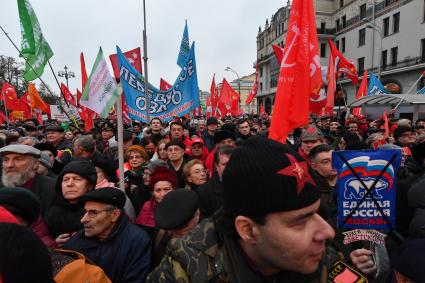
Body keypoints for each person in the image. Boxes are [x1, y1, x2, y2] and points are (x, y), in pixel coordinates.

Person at [147, 136, 374, 282]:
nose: (327, 232)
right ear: (248, 229)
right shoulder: (185, 269)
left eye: (317, 213)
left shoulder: (325, 256)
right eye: (300, 221)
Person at [64, 188, 152, 283]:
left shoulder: (137, 241)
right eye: (86, 212)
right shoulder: (77, 240)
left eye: (93, 213)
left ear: (114, 215)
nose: (83, 219)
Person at [44, 160, 97, 246]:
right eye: (65, 179)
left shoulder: (98, 211)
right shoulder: (51, 210)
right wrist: (53, 243)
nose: (69, 184)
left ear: (90, 186)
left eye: (77, 179)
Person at [0, 144, 56, 216]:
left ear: (35, 164)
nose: (9, 165)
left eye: (18, 159)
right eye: (6, 160)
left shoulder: (52, 188)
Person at [152, 189, 200, 266]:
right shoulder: (160, 235)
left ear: (197, 215)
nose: (175, 236)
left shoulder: (208, 238)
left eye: (184, 226)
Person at [135, 167, 178, 234]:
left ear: (174, 189)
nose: (162, 194)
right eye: (158, 190)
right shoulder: (147, 207)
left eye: (166, 189)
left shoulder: (181, 206)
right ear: (152, 192)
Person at [196, 145, 234, 219]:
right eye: (225, 164)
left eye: (233, 162)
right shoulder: (203, 192)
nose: (231, 167)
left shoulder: (249, 185)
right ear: (216, 166)